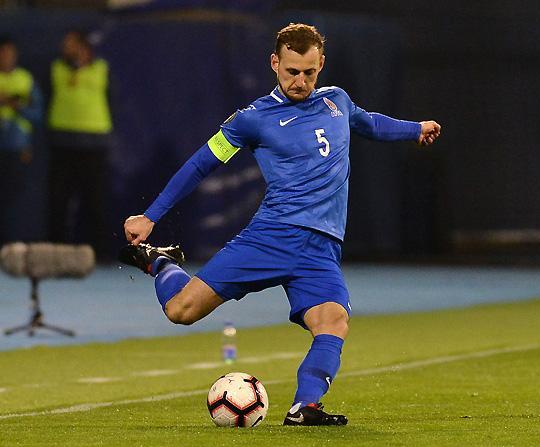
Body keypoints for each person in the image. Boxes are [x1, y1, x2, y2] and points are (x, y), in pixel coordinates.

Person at [120, 23, 441, 426]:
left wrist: (415, 129)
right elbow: (201, 164)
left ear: (321, 65)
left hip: (321, 249)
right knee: (181, 311)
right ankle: (160, 262)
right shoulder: (252, 119)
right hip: (272, 237)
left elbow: (370, 123)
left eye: (309, 72)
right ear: (275, 63)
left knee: (333, 321)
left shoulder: (337, 101)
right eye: (292, 72)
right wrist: (150, 216)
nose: (300, 81)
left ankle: (304, 407)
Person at [47, 30, 113, 260]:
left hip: (93, 144)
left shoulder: (100, 68)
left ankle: (99, 253)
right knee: (59, 200)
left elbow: (110, 97)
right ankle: (56, 253)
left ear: (83, 47)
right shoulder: (57, 68)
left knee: (95, 201)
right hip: (63, 143)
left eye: (70, 44)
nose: (65, 47)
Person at [0, 36, 43, 244]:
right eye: (2, 53)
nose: (6, 57)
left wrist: (16, 106)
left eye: (10, 53)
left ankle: (9, 246)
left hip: (16, 149)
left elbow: (37, 114)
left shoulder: (26, 79)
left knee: (11, 200)